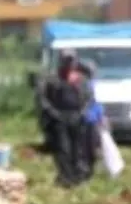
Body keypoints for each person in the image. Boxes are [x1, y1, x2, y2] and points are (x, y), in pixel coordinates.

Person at [38, 51, 93, 187]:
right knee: (63, 148)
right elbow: (43, 99)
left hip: (78, 117)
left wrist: (83, 112)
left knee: (79, 149)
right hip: (59, 117)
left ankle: (78, 176)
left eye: (71, 60)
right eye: (66, 60)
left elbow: (89, 97)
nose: (69, 63)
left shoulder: (81, 79)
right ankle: (65, 177)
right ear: (61, 61)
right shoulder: (52, 79)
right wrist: (53, 113)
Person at [76, 59, 103, 181]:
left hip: (92, 119)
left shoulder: (93, 84)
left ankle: (89, 170)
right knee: (84, 147)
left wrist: (100, 117)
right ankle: (84, 171)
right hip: (84, 119)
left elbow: (97, 102)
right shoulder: (81, 84)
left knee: (92, 147)